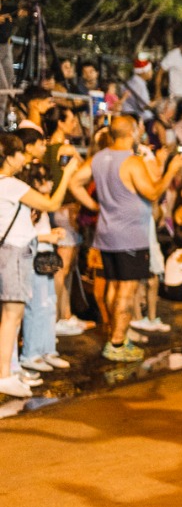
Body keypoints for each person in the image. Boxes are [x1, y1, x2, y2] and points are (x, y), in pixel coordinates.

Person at [87, 115, 182, 361]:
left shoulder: (98, 158)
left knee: (113, 284)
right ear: (131, 131)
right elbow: (152, 193)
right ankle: (117, 344)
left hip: (106, 233)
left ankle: (116, 334)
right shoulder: (132, 161)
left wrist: (97, 207)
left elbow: (76, 182)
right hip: (129, 235)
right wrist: (170, 171)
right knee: (127, 289)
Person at [0, 132, 84, 396]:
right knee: (12, 317)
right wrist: (68, 173)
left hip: (9, 251)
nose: (22, 160)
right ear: (10, 157)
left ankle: (9, 370)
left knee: (11, 317)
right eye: (19, 155)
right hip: (14, 253)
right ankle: (5, 375)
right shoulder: (10, 185)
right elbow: (52, 203)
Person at [39, 107, 93, 336]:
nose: (75, 124)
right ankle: (59, 317)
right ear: (60, 123)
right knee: (62, 267)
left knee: (65, 266)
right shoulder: (66, 149)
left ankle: (66, 314)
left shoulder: (47, 149)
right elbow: (84, 172)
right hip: (66, 210)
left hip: (57, 210)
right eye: (71, 120)